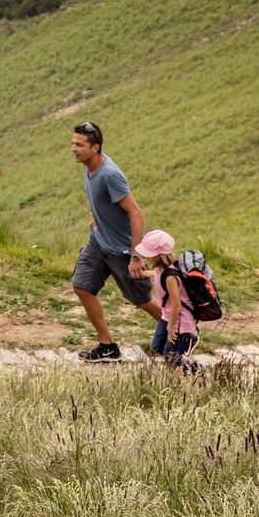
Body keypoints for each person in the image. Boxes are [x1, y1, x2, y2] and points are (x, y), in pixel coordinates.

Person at [68, 121, 161, 361]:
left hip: (122, 250)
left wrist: (137, 255)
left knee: (141, 299)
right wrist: (98, 218)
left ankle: (181, 331)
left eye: (79, 144)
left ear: (95, 147)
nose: (74, 149)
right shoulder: (88, 166)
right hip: (99, 242)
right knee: (82, 286)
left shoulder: (110, 175)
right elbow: (104, 200)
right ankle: (107, 346)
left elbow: (136, 213)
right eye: (73, 143)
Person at [132, 229, 197, 365]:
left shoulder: (171, 277)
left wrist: (170, 328)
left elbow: (177, 305)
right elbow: (155, 274)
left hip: (179, 321)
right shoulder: (160, 269)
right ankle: (184, 360)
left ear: (157, 255)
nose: (145, 257)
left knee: (170, 357)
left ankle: (188, 372)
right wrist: (142, 274)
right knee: (157, 346)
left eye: (147, 254)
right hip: (167, 316)